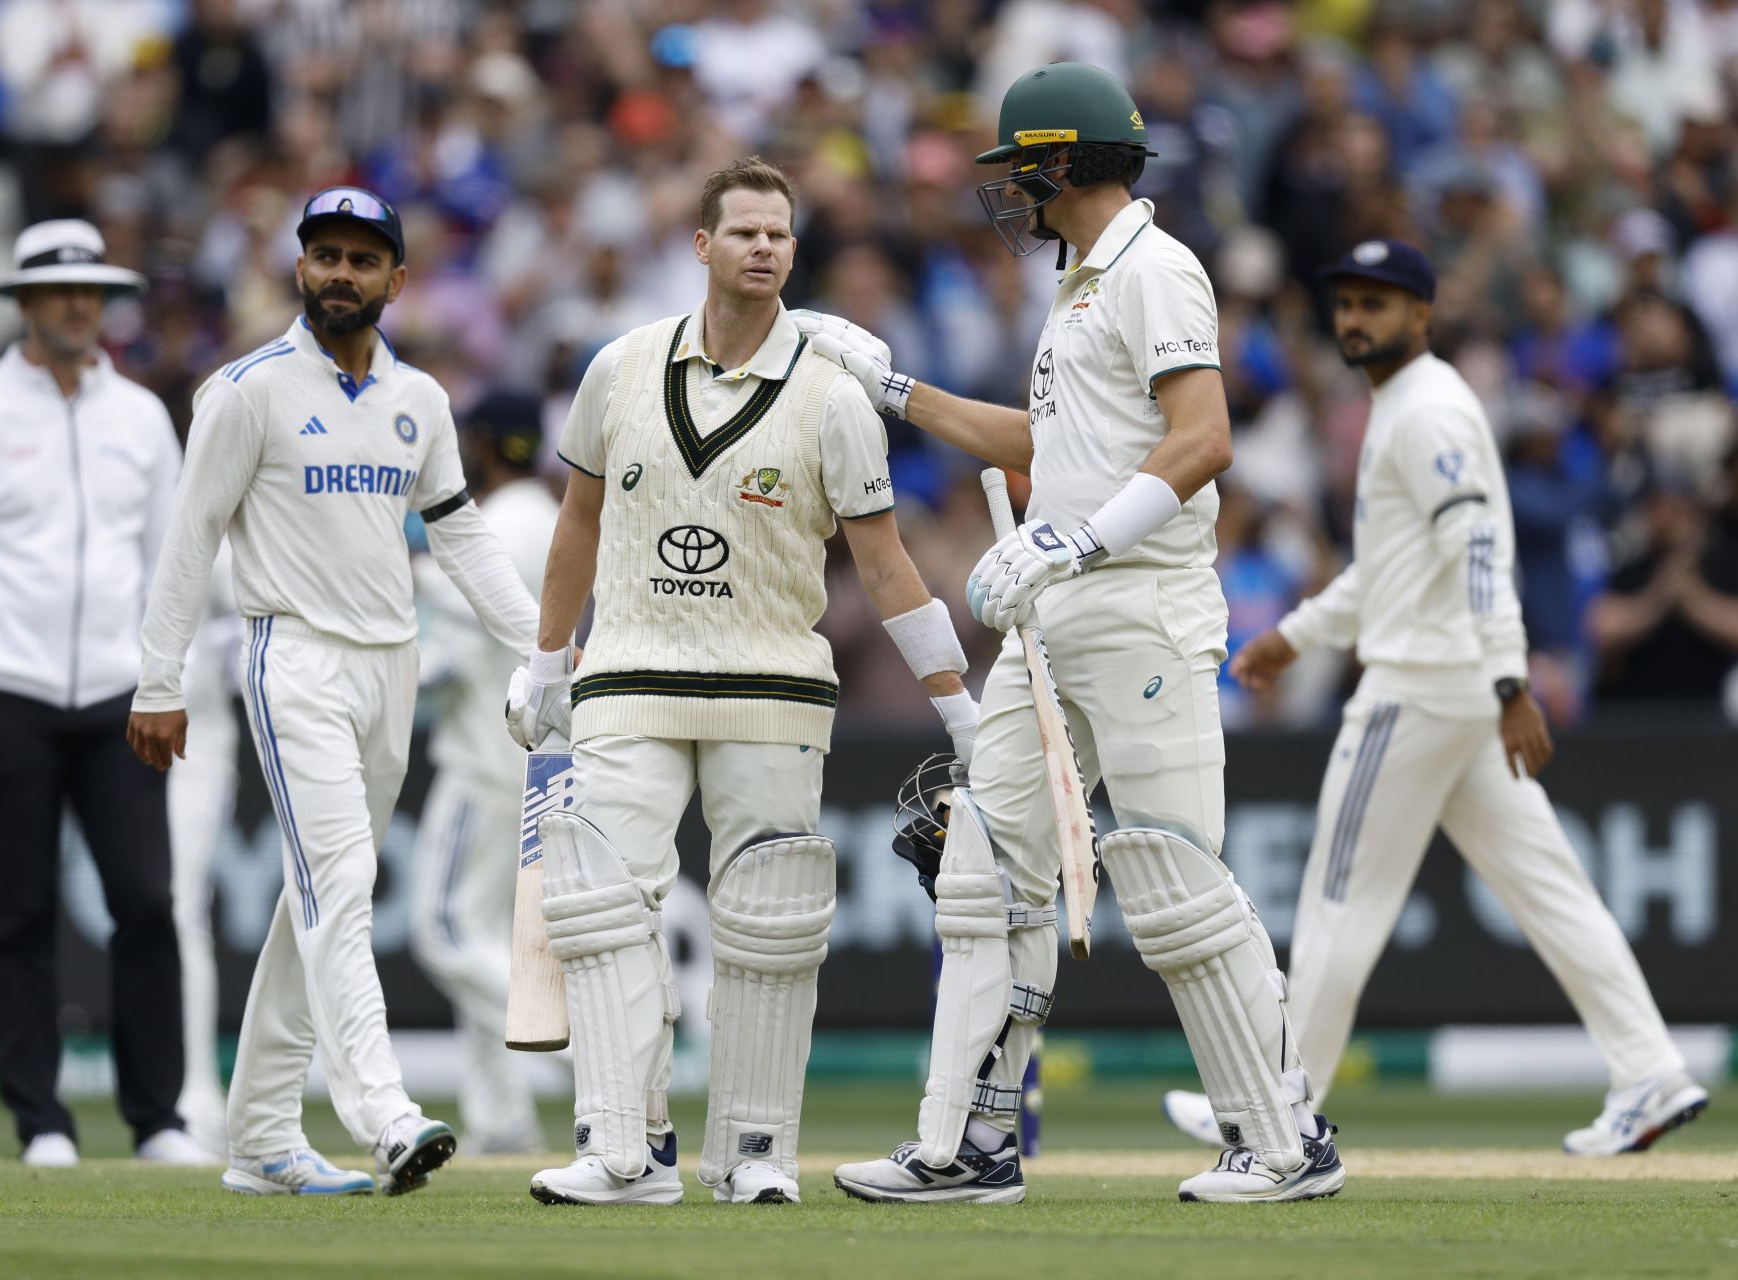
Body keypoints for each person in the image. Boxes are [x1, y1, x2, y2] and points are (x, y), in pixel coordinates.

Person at [806, 62, 1341, 1204]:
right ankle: (970, 1141)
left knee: (1173, 879)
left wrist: (1076, 541)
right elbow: (1050, 441)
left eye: (1019, 168)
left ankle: (1287, 1140)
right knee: (982, 872)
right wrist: (898, 389)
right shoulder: (1084, 286)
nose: (1008, 190)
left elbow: (1203, 438)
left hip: (1140, 604)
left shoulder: (1156, 268)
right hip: (1056, 616)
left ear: (1061, 160)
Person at [1161, 241, 1706, 1157]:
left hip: (1421, 690)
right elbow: (1394, 567)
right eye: (1346, 303)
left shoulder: (1429, 414)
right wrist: (1299, 633)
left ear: (1423, 313)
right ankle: (1650, 1070)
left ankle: (1274, 1103)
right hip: (1449, 686)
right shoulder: (1409, 407)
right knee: (1552, 888)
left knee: (1338, 899)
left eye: (1378, 303)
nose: (1355, 319)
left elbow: (1480, 550)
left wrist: (1509, 680)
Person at [506, 156, 978, 1207]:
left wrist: (959, 706)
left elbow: (887, 561)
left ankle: (754, 1148)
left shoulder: (834, 397)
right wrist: (546, 658)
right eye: (745, 231)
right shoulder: (619, 368)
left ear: (792, 251)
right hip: (628, 672)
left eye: (780, 233)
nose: (764, 247)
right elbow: (576, 524)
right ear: (702, 245)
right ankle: (624, 1148)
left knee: (772, 917)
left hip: (771, 684)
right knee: (601, 903)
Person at [127, 187, 542, 1196]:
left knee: (311, 895)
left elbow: (463, 538)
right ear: (298, 268)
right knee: (341, 879)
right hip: (291, 656)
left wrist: (547, 648)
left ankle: (263, 1133)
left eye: (363, 258)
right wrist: (160, 679)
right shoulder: (246, 388)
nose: (341, 274)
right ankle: (384, 1113)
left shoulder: (422, 402)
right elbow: (188, 542)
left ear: (398, 279)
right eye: (325, 255)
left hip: (390, 664)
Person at [0, 220, 211, 1169]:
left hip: (123, 693)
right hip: (6, 687)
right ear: (26, 303)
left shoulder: (140, 418)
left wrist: (171, 679)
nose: (82, 306)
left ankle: (157, 1118)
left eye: (94, 291)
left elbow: (175, 559)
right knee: (22, 908)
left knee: (146, 903)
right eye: (62, 292)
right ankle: (41, 1120)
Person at [408, 391, 559, 1156]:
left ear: (490, 445)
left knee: (440, 932)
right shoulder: (543, 516)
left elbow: (455, 659)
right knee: (478, 931)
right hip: (523, 761)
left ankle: (566, 1031)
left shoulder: (500, 525)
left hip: (481, 758)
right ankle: (503, 1120)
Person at [168, 542, 242, 1156]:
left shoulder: (217, 500)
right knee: (160, 908)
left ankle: (197, 1102)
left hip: (198, 727)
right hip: (103, 718)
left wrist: (204, 664)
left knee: (182, 906)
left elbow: (251, 612)